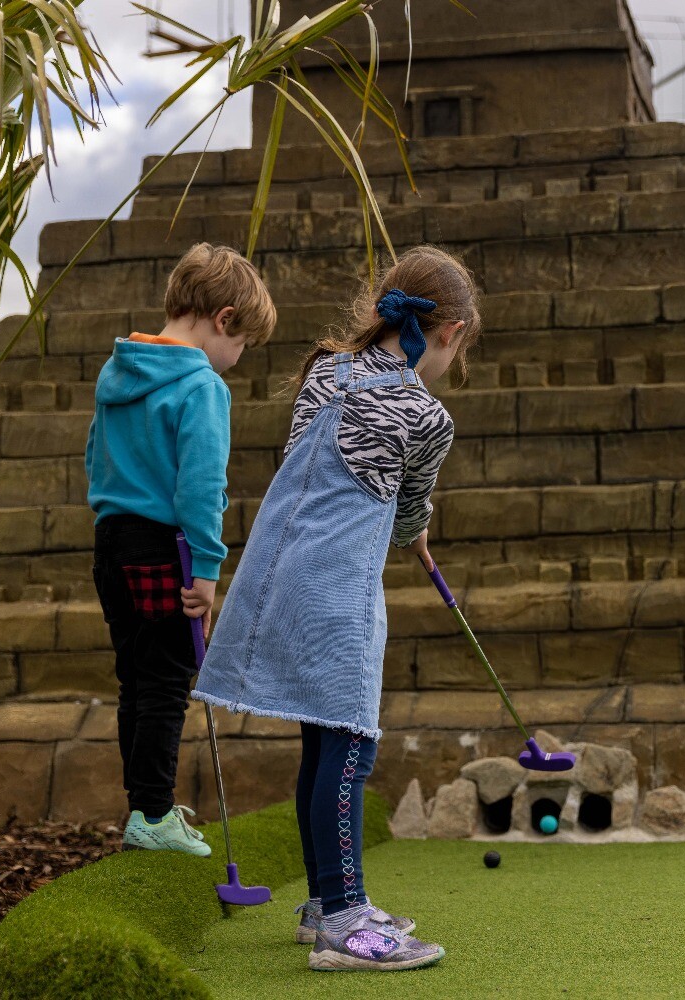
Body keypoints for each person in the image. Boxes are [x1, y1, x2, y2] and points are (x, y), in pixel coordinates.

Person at [192, 245, 481, 971]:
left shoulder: (327, 368)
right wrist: (418, 535)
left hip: (279, 572)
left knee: (324, 740)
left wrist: (406, 519)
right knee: (351, 748)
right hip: (337, 587)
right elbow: (411, 508)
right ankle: (347, 924)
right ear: (452, 333)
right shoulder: (427, 414)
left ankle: (325, 901)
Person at [86, 243, 276, 856]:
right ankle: (154, 815)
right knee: (168, 680)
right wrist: (210, 569)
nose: (236, 360)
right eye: (242, 344)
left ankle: (147, 803)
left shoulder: (116, 372)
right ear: (223, 319)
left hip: (111, 541)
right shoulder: (202, 386)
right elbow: (202, 487)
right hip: (166, 548)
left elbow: (96, 457)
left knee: (135, 680)